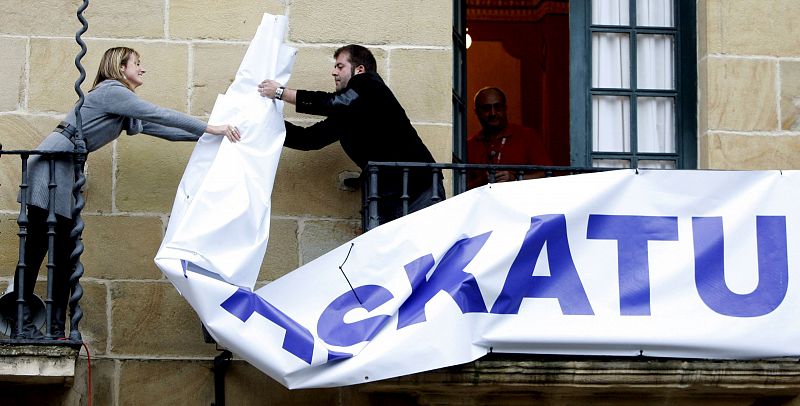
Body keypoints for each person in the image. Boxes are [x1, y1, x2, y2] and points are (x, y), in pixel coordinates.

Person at [14, 46, 241, 339]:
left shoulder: (120, 106)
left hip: (63, 173)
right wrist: (213, 127)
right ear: (120, 69)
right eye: (137, 63)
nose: (142, 69)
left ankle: (55, 328)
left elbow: (161, 129)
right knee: (37, 251)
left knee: (64, 255)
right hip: (49, 170)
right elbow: (160, 113)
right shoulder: (112, 92)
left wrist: (213, 138)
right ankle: (23, 324)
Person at [258, 44, 443, 224]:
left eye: (340, 66)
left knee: (423, 249)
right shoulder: (348, 111)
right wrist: (262, 125)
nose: (334, 72)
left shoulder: (369, 83)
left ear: (360, 69)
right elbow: (308, 139)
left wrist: (281, 92)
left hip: (418, 188)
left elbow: (333, 102)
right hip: (387, 194)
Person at [467, 87, 552, 190]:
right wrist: (483, 181)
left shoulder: (527, 136)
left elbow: (547, 175)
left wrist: (516, 179)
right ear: (476, 112)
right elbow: (458, 187)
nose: (493, 113)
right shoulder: (470, 145)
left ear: (505, 108)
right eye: (486, 108)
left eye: (498, 107)